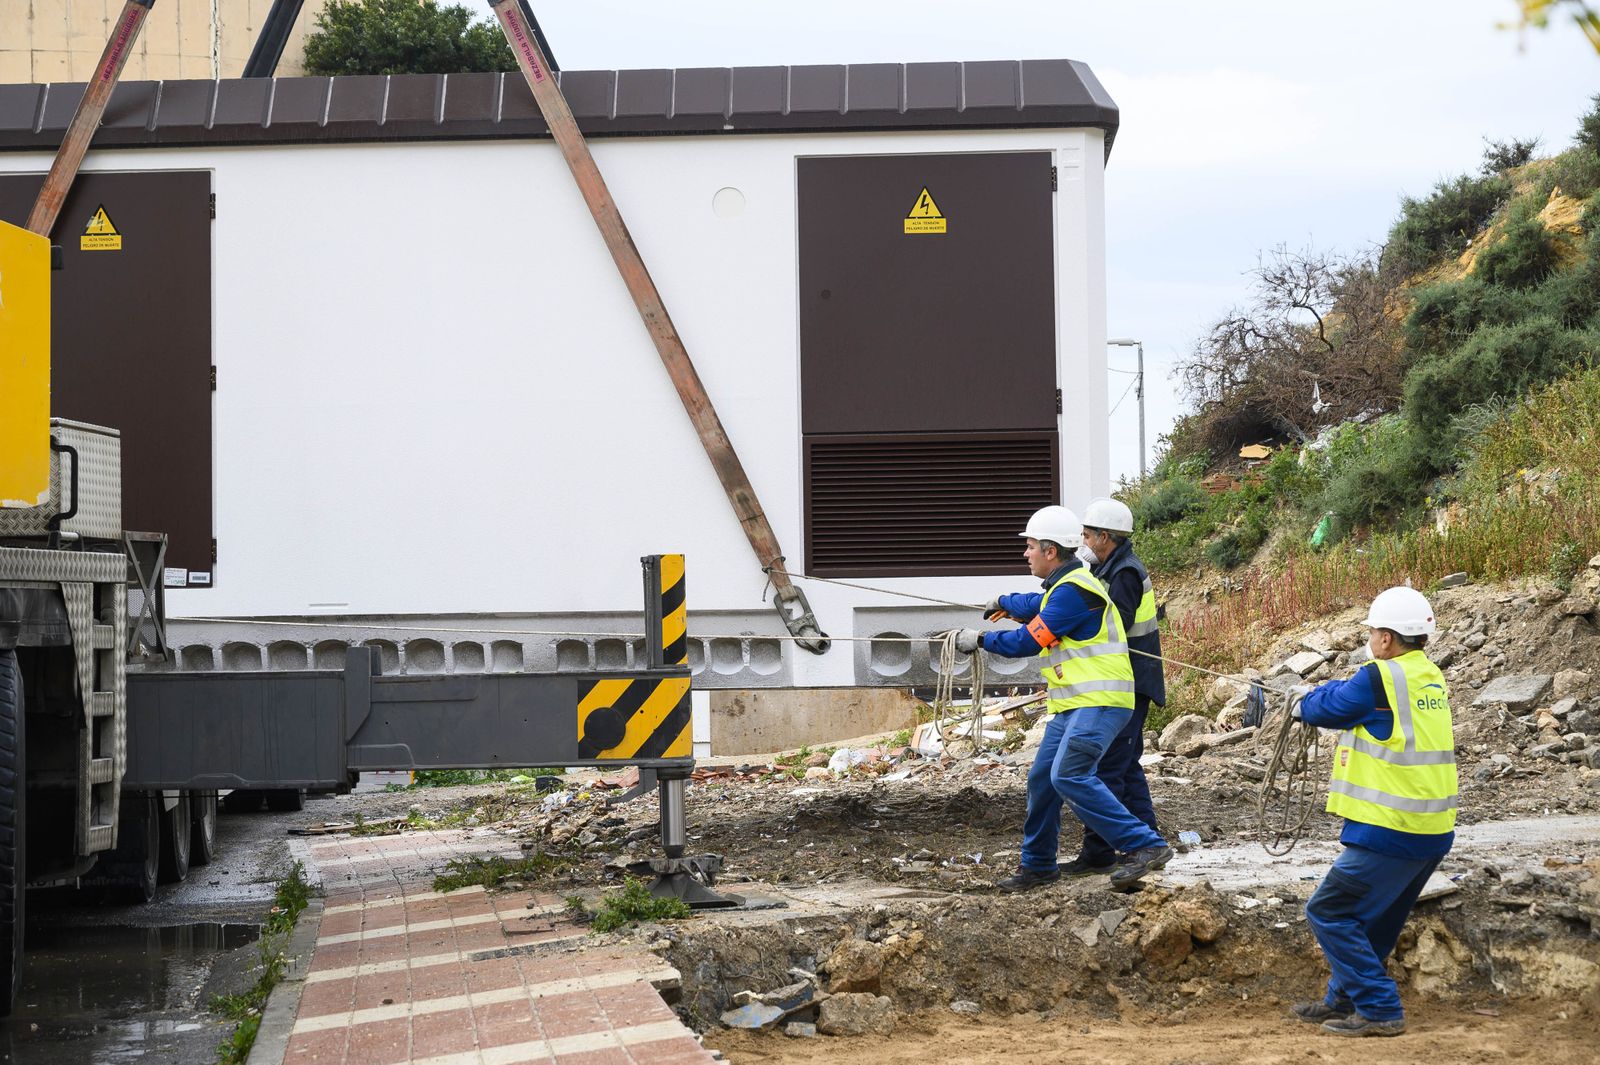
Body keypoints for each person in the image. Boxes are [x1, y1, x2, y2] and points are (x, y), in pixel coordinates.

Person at [952, 504, 1173, 894]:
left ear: (1051, 551)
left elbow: (1026, 639)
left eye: (1031, 546)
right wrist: (1003, 600)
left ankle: (1145, 844)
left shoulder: (1073, 593)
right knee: (1043, 778)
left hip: (1101, 701)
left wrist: (980, 640)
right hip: (1075, 704)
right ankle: (1038, 865)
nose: (1026, 553)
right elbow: (1034, 605)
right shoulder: (1065, 587)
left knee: (1068, 775)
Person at [1291, 586, 1457, 1037]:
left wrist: (1300, 701)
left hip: (1392, 829)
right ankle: (1342, 998)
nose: (1369, 639)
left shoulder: (1379, 678)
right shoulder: (1428, 676)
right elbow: (1354, 698)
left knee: (1328, 911)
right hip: (1432, 828)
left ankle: (1380, 1008)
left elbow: (1330, 706)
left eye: (1371, 632)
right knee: (1376, 921)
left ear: (1386, 639)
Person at [1068, 497, 1164, 877]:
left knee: (1109, 767)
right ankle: (1149, 838)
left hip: (1131, 682)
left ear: (1105, 537)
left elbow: (1112, 626)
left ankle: (1099, 851)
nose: (1084, 542)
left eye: (1088, 535)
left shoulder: (1124, 572)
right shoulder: (1113, 566)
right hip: (1128, 680)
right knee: (1126, 766)